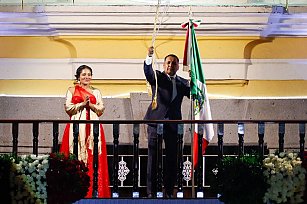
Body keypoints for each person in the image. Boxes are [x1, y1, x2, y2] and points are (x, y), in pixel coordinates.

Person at [144, 46, 190, 198]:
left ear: (178, 66)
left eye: (174, 63)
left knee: (172, 159)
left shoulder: (182, 83)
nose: (170, 65)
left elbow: (194, 93)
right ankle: (151, 192)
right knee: (153, 158)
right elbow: (148, 72)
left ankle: (169, 191)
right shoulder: (157, 77)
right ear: (164, 65)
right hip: (155, 122)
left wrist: (196, 78)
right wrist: (149, 57)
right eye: (168, 63)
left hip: (173, 124)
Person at [60, 65, 110, 198]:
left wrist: (90, 105)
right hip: (76, 127)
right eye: (84, 74)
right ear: (78, 77)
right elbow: (68, 108)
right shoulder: (71, 90)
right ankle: (74, 191)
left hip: (93, 127)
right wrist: (82, 104)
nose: (87, 77)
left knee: (93, 157)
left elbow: (101, 109)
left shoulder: (96, 91)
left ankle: (94, 192)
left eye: (89, 74)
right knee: (75, 156)